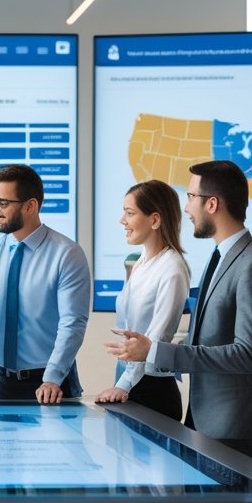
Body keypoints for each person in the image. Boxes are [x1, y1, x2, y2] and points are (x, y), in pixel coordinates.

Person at [107, 160, 252, 462]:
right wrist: (153, 351)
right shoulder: (220, 259)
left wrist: (157, 352)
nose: (186, 208)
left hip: (234, 429)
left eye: (190, 197)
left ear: (212, 203)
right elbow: (206, 339)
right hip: (204, 422)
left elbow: (248, 355)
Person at [0, 164, 89, 403]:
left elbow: (72, 323)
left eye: (2, 203)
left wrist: (52, 378)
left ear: (30, 206)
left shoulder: (67, 254)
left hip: (53, 385)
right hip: (2, 382)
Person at [94, 180, 189, 421]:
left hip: (152, 391)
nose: (122, 221)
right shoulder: (140, 263)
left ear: (155, 220)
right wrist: (122, 382)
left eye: (129, 213)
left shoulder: (172, 269)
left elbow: (156, 339)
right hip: (129, 381)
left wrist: (123, 386)